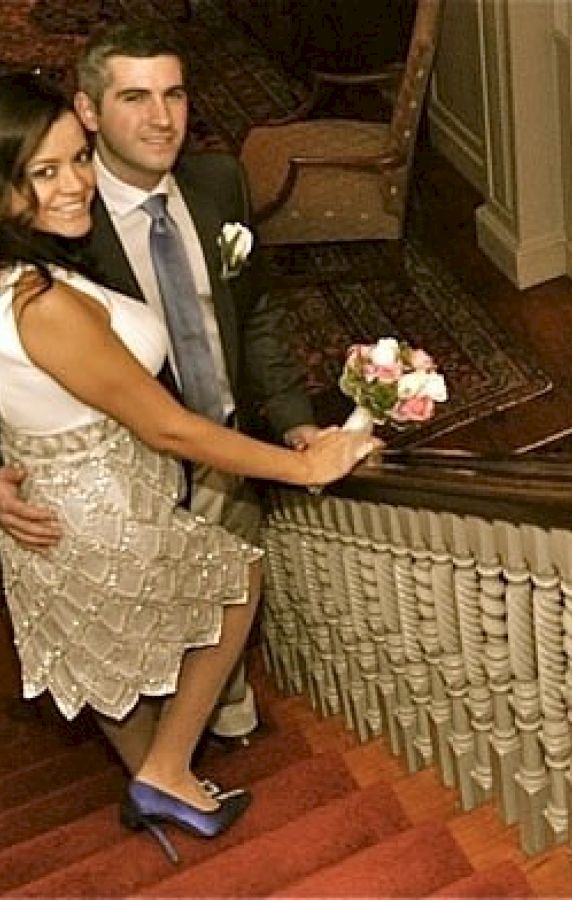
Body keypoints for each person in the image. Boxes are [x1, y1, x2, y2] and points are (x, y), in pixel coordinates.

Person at [0, 73, 381, 858]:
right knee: (236, 580)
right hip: (98, 505)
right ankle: (167, 770)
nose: (75, 185)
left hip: (47, 501)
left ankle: (152, 780)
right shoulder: (44, 305)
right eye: (44, 172)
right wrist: (304, 468)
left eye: (77, 160)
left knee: (102, 652)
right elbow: (170, 429)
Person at [0, 20, 320, 740]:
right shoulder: (57, 230)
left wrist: (295, 418)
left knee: (229, 594)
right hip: (128, 479)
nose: (162, 119)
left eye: (174, 94)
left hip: (227, 447)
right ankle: (165, 762)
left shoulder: (219, 182)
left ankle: (224, 726)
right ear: (88, 110)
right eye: (135, 97)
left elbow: (257, 310)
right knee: (139, 633)